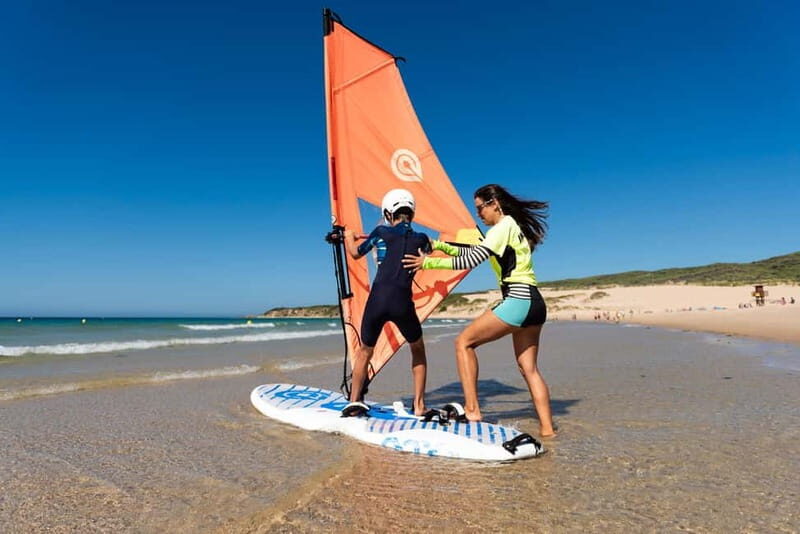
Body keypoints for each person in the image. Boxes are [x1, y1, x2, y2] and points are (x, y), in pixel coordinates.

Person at [402, 184, 556, 437]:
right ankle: (548, 431)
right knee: (529, 369)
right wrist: (440, 245)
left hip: (518, 299)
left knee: (463, 342)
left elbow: (471, 260)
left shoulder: (502, 226)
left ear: (495, 203)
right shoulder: (509, 228)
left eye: (480, 208)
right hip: (535, 303)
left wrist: (428, 262)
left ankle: (472, 409)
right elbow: (474, 250)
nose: (479, 215)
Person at [340, 188, 432, 417]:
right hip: (402, 302)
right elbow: (428, 251)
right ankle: (419, 405)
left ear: (389, 214)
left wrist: (348, 238)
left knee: (364, 352)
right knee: (417, 348)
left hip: (378, 301)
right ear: (412, 212)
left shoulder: (380, 232)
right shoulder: (422, 239)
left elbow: (354, 253)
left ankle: (354, 401)